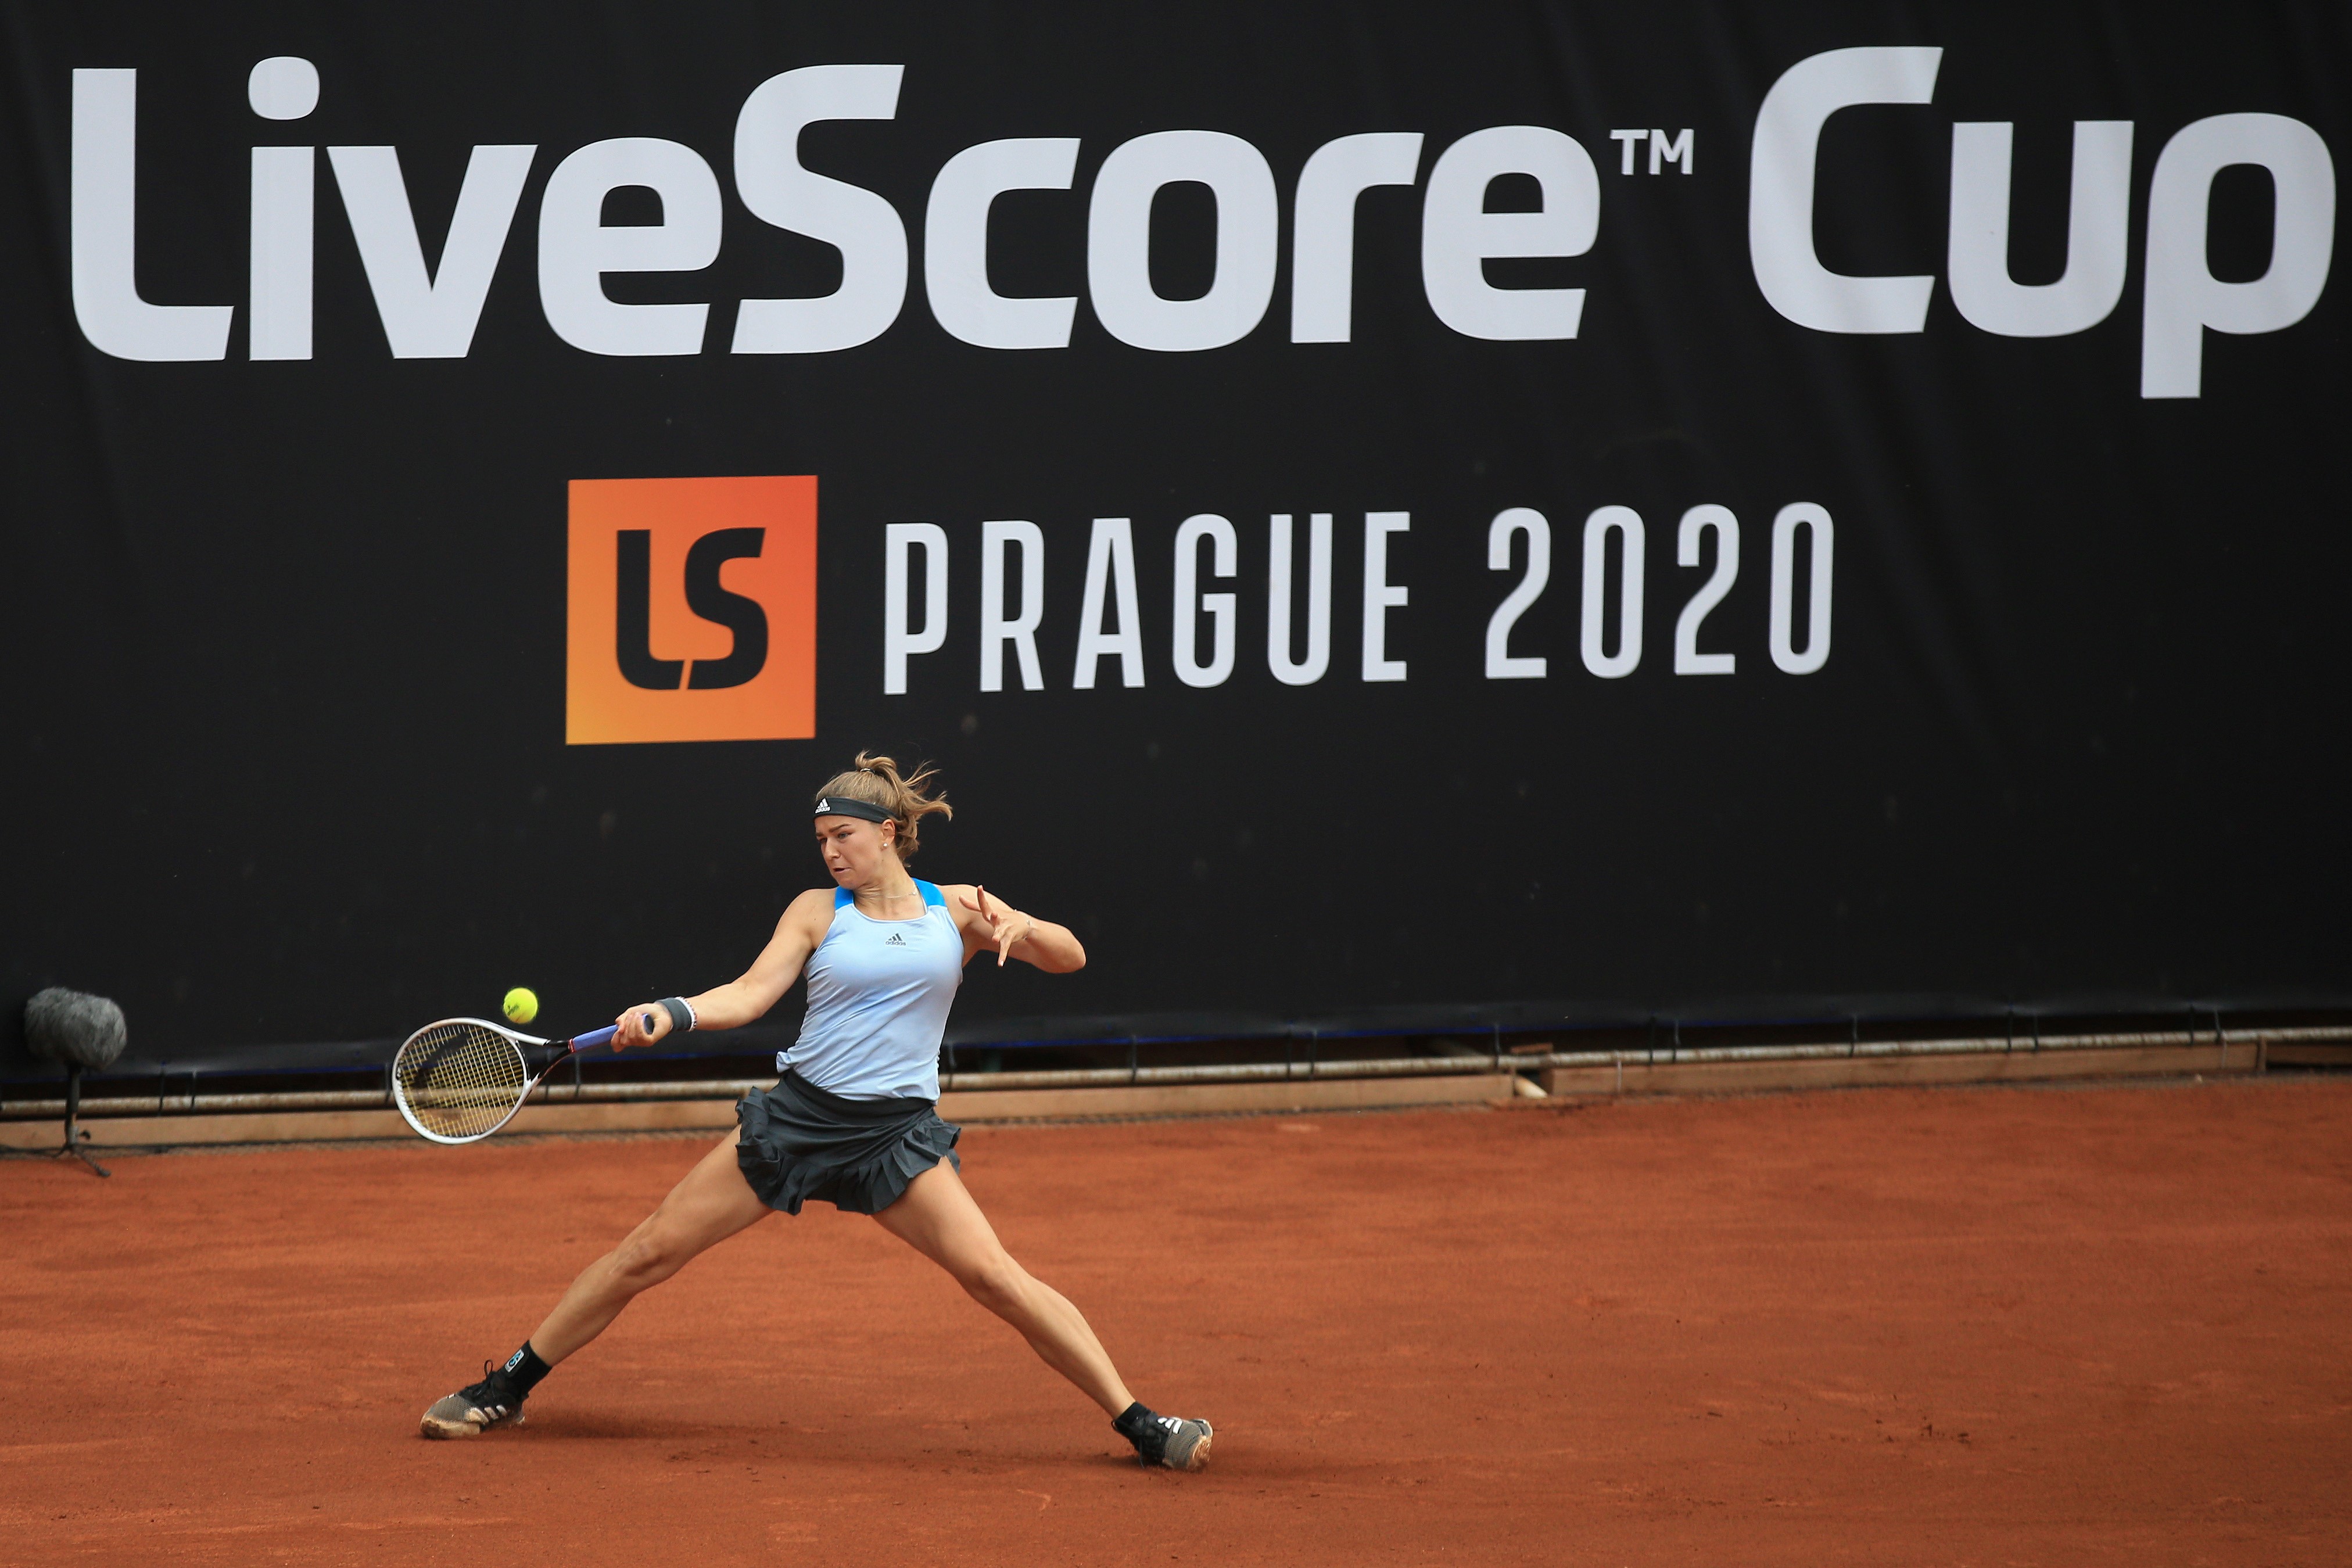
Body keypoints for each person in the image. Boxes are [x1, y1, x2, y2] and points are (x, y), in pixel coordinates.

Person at [417, 755, 1212, 1470]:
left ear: (891, 832)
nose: (832, 852)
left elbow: (1070, 956)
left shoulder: (960, 907)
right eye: (822, 840)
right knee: (647, 1252)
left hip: (894, 1136)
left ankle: (1140, 1422)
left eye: (844, 836)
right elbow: (750, 994)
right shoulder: (816, 911)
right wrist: (674, 1012)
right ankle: (508, 1385)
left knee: (997, 1278)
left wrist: (1024, 926)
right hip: (796, 1122)